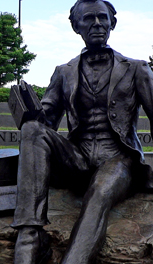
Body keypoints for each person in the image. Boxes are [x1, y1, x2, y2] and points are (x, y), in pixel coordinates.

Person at [10, 1, 153, 263]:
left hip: (119, 160)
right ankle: (30, 236)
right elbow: (46, 124)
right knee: (32, 130)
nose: (97, 24)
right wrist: (28, 110)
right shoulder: (63, 72)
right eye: (88, 19)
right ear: (76, 26)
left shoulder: (137, 69)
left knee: (99, 193)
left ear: (113, 23)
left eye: (102, 18)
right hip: (77, 159)